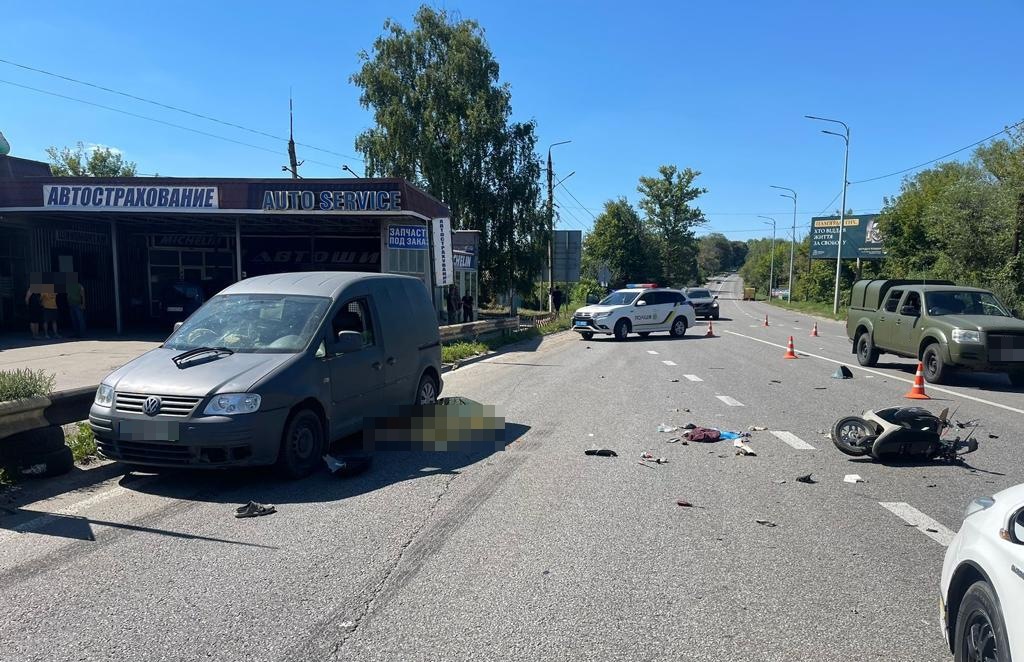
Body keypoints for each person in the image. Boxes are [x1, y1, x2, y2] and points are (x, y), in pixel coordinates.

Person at [66, 274, 86, 338]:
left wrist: (83, 304)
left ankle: (82, 334)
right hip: (71, 305)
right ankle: (76, 333)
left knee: (80, 320)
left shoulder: (80, 286)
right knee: (74, 320)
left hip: (78, 305)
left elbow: (83, 296)